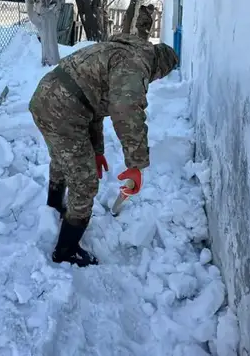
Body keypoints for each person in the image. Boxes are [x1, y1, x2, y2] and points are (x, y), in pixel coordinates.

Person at [28, 33, 179, 267]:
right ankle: (66, 250)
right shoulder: (135, 65)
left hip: (46, 97)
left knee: (62, 157)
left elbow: (94, 105)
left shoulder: (121, 50)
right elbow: (126, 112)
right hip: (64, 110)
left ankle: (54, 206)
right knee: (84, 182)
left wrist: (97, 150)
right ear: (160, 69)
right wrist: (136, 165)